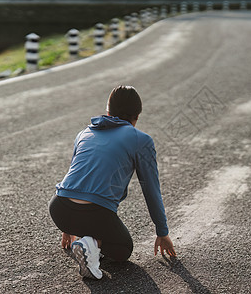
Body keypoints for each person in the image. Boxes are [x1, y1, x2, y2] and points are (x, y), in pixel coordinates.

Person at [49, 85, 176, 280]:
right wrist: (162, 231)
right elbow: (151, 189)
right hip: (95, 211)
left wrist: (68, 228)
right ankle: (92, 245)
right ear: (137, 116)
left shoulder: (84, 133)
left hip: (59, 208)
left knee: (87, 219)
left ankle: (83, 242)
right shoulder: (141, 140)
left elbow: (75, 178)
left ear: (108, 111)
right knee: (123, 249)